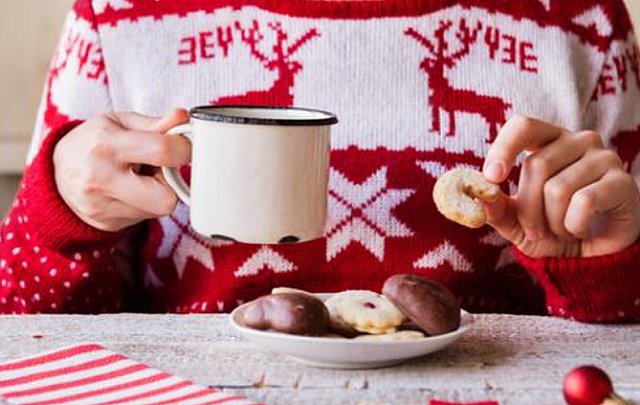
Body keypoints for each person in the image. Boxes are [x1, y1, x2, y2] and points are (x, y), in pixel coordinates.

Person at [1, 0, 639, 321]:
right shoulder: (116, 16)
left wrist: (607, 273)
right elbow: (22, 330)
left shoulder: (580, 21)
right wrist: (59, 222)